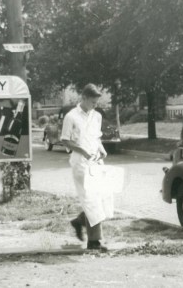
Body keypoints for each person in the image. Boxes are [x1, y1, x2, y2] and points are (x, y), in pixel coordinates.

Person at [61, 83, 109, 251]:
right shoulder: (71, 116)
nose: (95, 106)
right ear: (84, 98)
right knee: (90, 199)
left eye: (97, 103)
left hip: (95, 161)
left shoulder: (96, 116)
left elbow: (96, 138)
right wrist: (82, 151)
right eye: (92, 103)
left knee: (100, 198)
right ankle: (95, 241)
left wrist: (102, 150)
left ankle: (80, 221)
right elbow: (65, 140)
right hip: (80, 163)